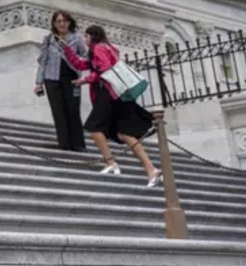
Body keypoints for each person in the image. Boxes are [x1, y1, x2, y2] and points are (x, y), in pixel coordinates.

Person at [61, 24, 163, 187]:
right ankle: (151, 169)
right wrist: (67, 50)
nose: (84, 39)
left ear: (92, 36)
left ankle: (111, 162)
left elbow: (104, 70)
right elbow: (82, 65)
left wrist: (85, 80)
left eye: (86, 36)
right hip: (119, 95)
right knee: (124, 134)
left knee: (93, 127)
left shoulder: (98, 49)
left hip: (108, 93)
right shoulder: (105, 49)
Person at [35, 10, 87, 151]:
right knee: (58, 112)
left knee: (73, 110)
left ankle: (78, 144)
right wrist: (38, 82)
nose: (62, 24)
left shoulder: (77, 38)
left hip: (72, 79)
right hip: (52, 79)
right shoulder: (49, 39)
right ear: (54, 23)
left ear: (69, 22)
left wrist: (70, 53)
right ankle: (64, 144)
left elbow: (85, 56)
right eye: (58, 21)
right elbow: (43, 62)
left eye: (64, 20)